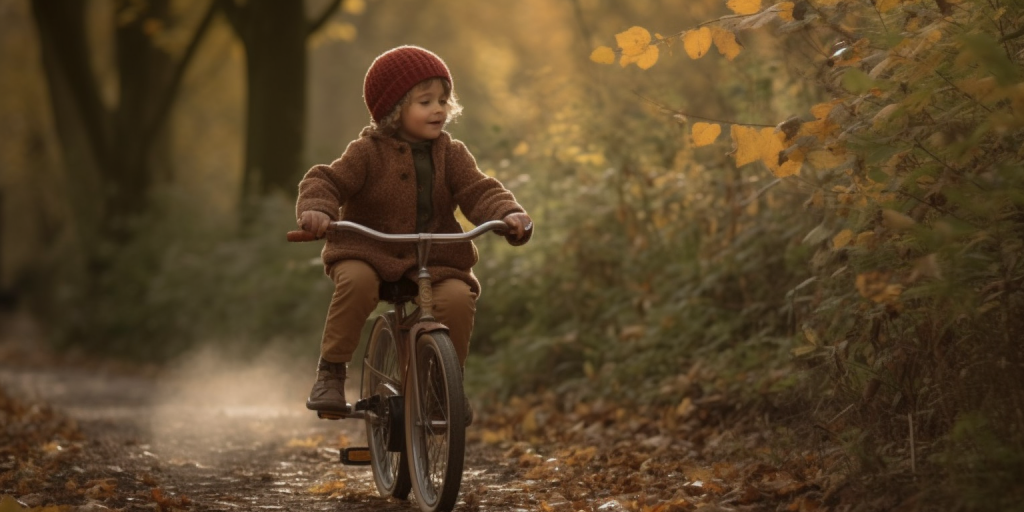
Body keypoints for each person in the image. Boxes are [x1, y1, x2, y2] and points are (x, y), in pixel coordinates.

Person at [295, 45, 533, 423]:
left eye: (443, 99)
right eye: (425, 101)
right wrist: (318, 209)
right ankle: (332, 371)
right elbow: (326, 180)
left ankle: (443, 385)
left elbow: (478, 190)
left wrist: (508, 213)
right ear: (393, 110)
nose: (438, 109)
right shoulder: (367, 152)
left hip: (434, 259)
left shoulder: (451, 153)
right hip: (368, 249)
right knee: (356, 282)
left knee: (457, 297)